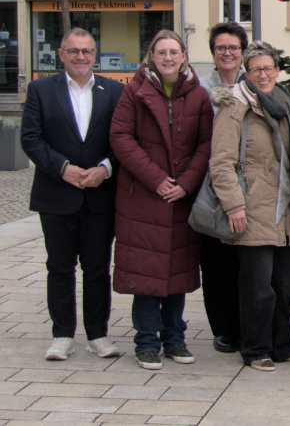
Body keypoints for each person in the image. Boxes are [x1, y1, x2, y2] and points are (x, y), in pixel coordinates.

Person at [110, 30, 213, 370]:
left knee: (177, 272)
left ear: (184, 55)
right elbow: (121, 137)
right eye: (161, 52)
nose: (168, 58)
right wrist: (156, 180)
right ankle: (145, 342)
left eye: (174, 52)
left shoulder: (198, 96)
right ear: (151, 56)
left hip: (181, 197)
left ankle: (175, 339)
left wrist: (185, 184)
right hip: (142, 196)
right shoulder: (133, 91)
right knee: (146, 273)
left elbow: (206, 145)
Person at [22, 28, 124, 361]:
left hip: (99, 196)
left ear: (95, 55)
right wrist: (62, 168)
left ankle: (98, 335)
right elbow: (31, 139)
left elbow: (123, 140)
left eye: (87, 51)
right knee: (60, 268)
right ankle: (62, 335)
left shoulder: (114, 92)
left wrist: (105, 169)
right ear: (61, 54)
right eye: (73, 51)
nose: (81, 57)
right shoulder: (40, 89)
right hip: (56, 194)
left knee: (97, 269)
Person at [209, 42, 290, 371]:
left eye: (269, 68)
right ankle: (256, 349)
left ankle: (282, 344)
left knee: (286, 282)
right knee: (257, 287)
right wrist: (234, 205)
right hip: (250, 210)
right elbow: (221, 162)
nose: (263, 74)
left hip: (284, 210)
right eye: (256, 70)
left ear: (277, 71)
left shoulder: (283, 102)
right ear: (246, 74)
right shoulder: (234, 106)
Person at [198, 21, 248, 355]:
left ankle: (245, 325)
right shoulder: (200, 91)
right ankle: (223, 329)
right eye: (221, 48)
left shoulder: (254, 85)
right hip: (209, 184)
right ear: (213, 53)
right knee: (214, 262)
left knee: (244, 263)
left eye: (233, 47)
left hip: (249, 185)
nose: (227, 53)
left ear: (242, 53)